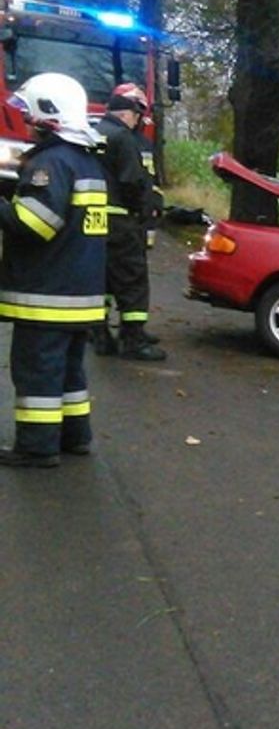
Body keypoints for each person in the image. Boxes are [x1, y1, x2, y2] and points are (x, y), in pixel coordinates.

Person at [0, 73, 108, 467]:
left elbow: (36, 224)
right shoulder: (85, 162)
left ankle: (37, 446)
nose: (26, 123)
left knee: (37, 373)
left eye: (29, 114)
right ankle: (74, 437)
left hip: (48, 295)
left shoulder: (51, 162)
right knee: (69, 375)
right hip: (80, 294)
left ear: (48, 113)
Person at [93, 82, 166, 360]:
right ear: (127, 113)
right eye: (137, 115)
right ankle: (133, 339)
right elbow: (133, 182)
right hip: (122, 221)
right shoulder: (122, 138)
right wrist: (143, 210)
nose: (138, 121)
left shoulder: (95, 133)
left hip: (96, 220)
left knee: (104, 279)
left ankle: (100, 334)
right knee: (132, 279)